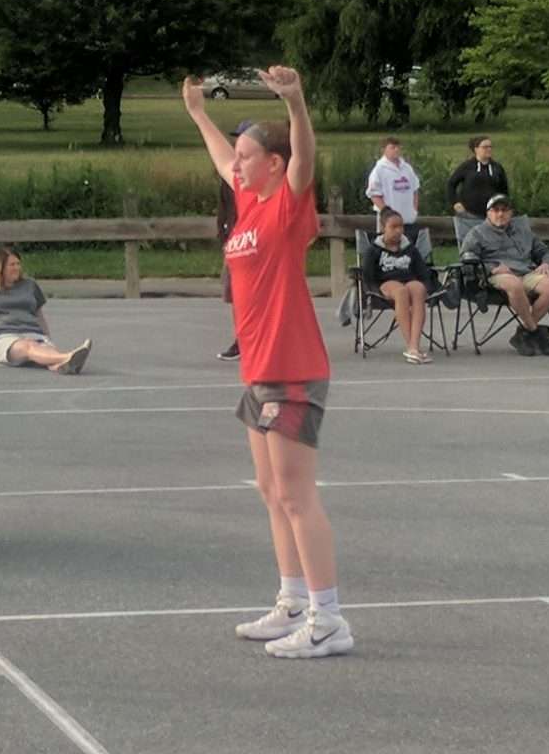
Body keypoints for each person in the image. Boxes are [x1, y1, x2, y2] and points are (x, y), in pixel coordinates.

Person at [182, 67, 353, 659]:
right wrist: (199, 113)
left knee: (297, 495)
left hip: (291, 366)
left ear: (273, 165)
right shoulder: (250, 207)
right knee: (270, 491)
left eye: (248, 156)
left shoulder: (285, 205)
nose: (237, 164)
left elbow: (304, 156)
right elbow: (219, 158)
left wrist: (297, 102)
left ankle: (328, 618)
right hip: (257, 371)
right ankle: (292, 602)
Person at [461, 194, 549, 356]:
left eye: (504, 210)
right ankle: (535, 332)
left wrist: (545, 264)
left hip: (526, 273)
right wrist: (492, 268)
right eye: (496, 210)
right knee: (514, 284)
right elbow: (467, 259)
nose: (500, 214)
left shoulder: (523, 232)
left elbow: (546, 251)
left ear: (511, 213)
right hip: (497, 276)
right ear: (488, 213)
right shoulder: (476, 233)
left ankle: (525, 331)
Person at [362, 208, 435, 364]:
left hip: (409, 280)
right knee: (401, 291)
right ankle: (412, 347)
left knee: (418, 288)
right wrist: (371, 292)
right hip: (386, 283)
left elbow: (422, 272)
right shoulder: (374, 250)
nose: (398, 231)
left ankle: (414, 346)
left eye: (401, 227)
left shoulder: (410, 248)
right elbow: (368, 276)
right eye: (393, 227)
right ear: (383, 228)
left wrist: (427, 286)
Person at [216, 120, 253, 362]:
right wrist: (223, 234)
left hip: (255, 240)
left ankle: (256, 339)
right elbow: (224, 206)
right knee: (235, 294)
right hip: (234, 239)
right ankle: (242, 339)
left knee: (256, 294)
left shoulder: (260, 174)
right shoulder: (230, 173)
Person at [365, 136, 420, 236]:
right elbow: (374, 194)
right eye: (392, 147)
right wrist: (387, 213)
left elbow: (415, 190)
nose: (396, 150)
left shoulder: (407, 168)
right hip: (389, 224)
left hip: (408, 219)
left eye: (398, 147)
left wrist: (414, 209)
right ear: (384, 150)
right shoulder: (379, 170)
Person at [447, 136, 509, 218]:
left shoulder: (497, 167)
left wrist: (503, 206)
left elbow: (504, 189)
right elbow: (451, 184)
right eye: (485, 147)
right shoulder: (467, 166)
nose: (489, 149)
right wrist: (455, 202)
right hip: (469, 214)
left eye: (490, 147)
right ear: (476, 149)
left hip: (492, 215)